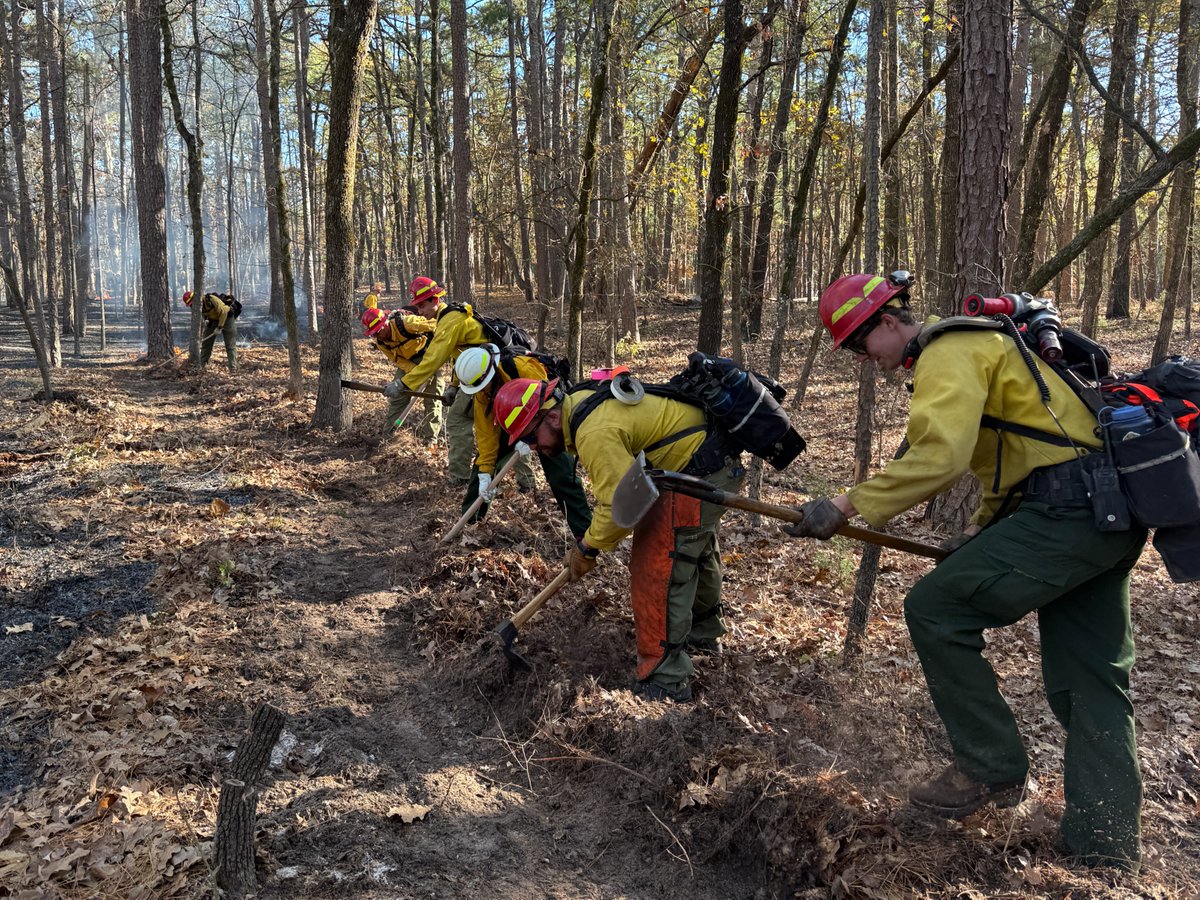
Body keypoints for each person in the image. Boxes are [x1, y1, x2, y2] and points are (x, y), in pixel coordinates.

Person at [784, 271, 1147, 872]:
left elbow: (939, 456)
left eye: (859, 344)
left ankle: (988, 767)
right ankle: (1104, 848)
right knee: (1091, 680)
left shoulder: (948, 351)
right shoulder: (986, 344)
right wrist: (981, 532)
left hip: (1067, 515)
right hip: (1109, 514)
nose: (865, 360)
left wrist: (844, 505)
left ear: (889, 322)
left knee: (935, 608)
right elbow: (1012, 456)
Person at [491, 376, 744, 702]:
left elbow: (619, 507)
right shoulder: (579, 401)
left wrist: (588, 547)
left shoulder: (593, 432)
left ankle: (666, 682)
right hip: (709, 460)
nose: (534, 447)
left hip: (696, 469)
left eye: (530, 437)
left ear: (551, 416)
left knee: (657, 566)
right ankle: (703, 636)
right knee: (694, 548)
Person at [453, 344, 591, 539]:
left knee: (562, 475)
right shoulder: (482, 391)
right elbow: (486, 435)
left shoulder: (522, 367)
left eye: (485, 385)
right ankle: (470, 526)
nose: (483, 391)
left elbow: (546, 400)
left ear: (490, 372)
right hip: (511, 427)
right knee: (481, 467)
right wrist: (485, 472)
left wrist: (530, 437)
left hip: (544, 422)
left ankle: (585, 535)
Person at [386, 276, 493, 485]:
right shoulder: (448, 318)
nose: (419, 311)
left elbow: (433, 359)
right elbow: (459, 355)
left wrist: (403, 384)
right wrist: (453, 386)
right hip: (479, 373)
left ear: (435, 300)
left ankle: (460, 478)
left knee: (457, 420)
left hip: (487, 375)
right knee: (493, 425)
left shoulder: (450, 319)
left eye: (422, 305)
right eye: (416, 306)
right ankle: (523, 482)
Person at [361, 304, 443, 440]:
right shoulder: (381, 343)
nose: (376, 336)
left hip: (429, 357)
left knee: (432, 400)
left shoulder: (407, 323)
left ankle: (430, 440)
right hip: (408, 363)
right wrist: (416, 374)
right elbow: (398, 360)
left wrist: (439, 353)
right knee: (397, 396)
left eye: (377, 331)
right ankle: (387, 437)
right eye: (373, 334)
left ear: (386, 323)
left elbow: (436, 325)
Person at [183, 290, 238, 372]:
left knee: (230, 345)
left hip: (227, 318)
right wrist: (206, 321)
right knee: (206, 344)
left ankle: (233, 368)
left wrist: (219, 327)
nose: (192, 306)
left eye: (192, 303)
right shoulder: (196, 306)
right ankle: (203, 366)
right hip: (213, 320)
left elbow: (223, 312)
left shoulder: (211, 299)